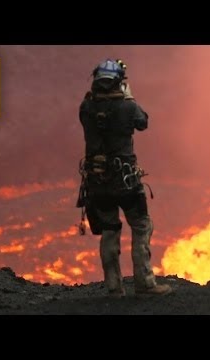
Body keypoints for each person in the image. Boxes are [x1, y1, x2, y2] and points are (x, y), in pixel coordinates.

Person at [78, 59, 172, 298]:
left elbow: (98, 117)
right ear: (118, 83)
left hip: (97, 183)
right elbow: (143, 122)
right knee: (141, 226)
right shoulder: (127, 107)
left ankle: (114, 288)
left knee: (110, 229)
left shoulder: (86, 108)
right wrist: (128, 98)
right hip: (126, 182)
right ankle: (145, 284)